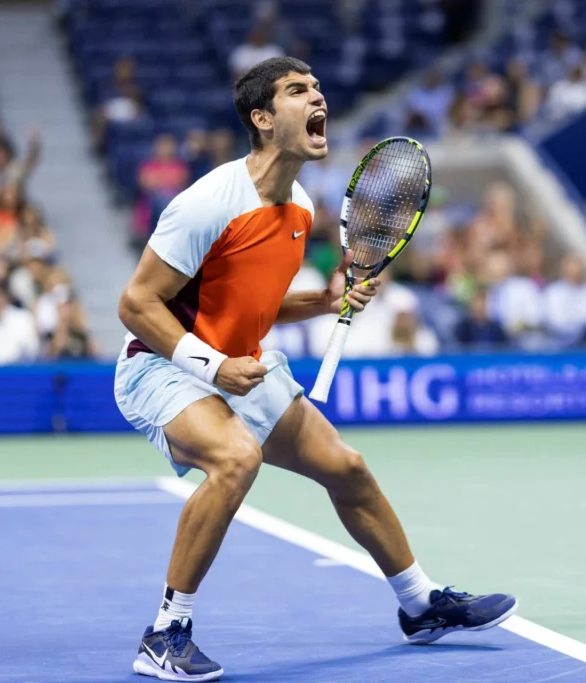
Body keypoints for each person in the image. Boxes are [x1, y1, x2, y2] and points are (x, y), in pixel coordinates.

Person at [115, 57, 516, 682]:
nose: (318, 97)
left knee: (347, 469)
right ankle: (165, 633)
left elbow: (259, 305)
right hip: (162, 366)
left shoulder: (300, 208)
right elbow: (136, 304)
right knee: (235, 458)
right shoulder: (208, 202)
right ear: (263, 119)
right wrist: (212, 366)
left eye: (319, 88)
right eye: (298, 91)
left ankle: (419, 605)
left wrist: (326, 302)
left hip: (238, 365)